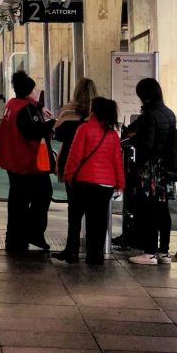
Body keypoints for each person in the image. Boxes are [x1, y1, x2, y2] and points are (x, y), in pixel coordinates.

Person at [52, 97, 124, 265]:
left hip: (84, 182)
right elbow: (117, 161)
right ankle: (95, 255)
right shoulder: (112, 134)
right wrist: (120, 183)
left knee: (76, 217)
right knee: (98, 220)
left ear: (95, 111)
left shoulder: (84, 128)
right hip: (105, 184)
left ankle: (72, 251)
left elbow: (74, 156)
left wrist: (68, 175)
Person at [0, 70, 55, 253]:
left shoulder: (13, 104)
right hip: (27, 164)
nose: (36, 93)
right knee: (43, 194)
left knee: (18, 199)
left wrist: (38, 106)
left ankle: (15, 236)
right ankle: (33, 233)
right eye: (35, 90)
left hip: (13, 161)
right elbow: (33, 132)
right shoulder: (26, 109)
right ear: (28, 92)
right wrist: (53, 124)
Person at [126, 77, 177, 265]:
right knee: (163, 210)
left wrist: (133, 139)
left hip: (151, 170)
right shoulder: (169, 113)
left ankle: (149, 252)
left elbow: (146, 144)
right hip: (166, 169)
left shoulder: (150, 115)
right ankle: (164, 252)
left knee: (148, 210)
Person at [53, 78, 96, 181]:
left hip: (67, 158)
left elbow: (57, 134)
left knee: (72, 195)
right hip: (90, 159)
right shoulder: (97, 112)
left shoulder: (67, 109)